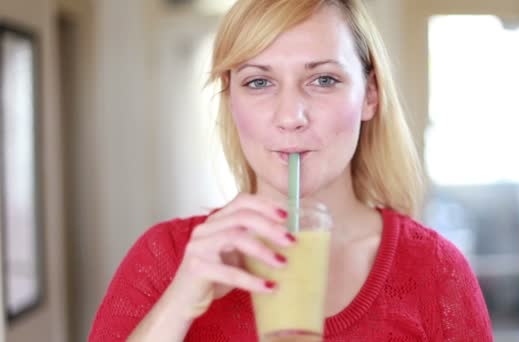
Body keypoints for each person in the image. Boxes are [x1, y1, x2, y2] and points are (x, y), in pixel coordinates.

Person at [89, 0, 493, 341]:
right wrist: (176, 307)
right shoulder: (166, 257)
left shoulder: (437, 271)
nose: (290, 117)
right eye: (259, 82)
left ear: (370, 95)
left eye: (323, 79)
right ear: (231, 99)